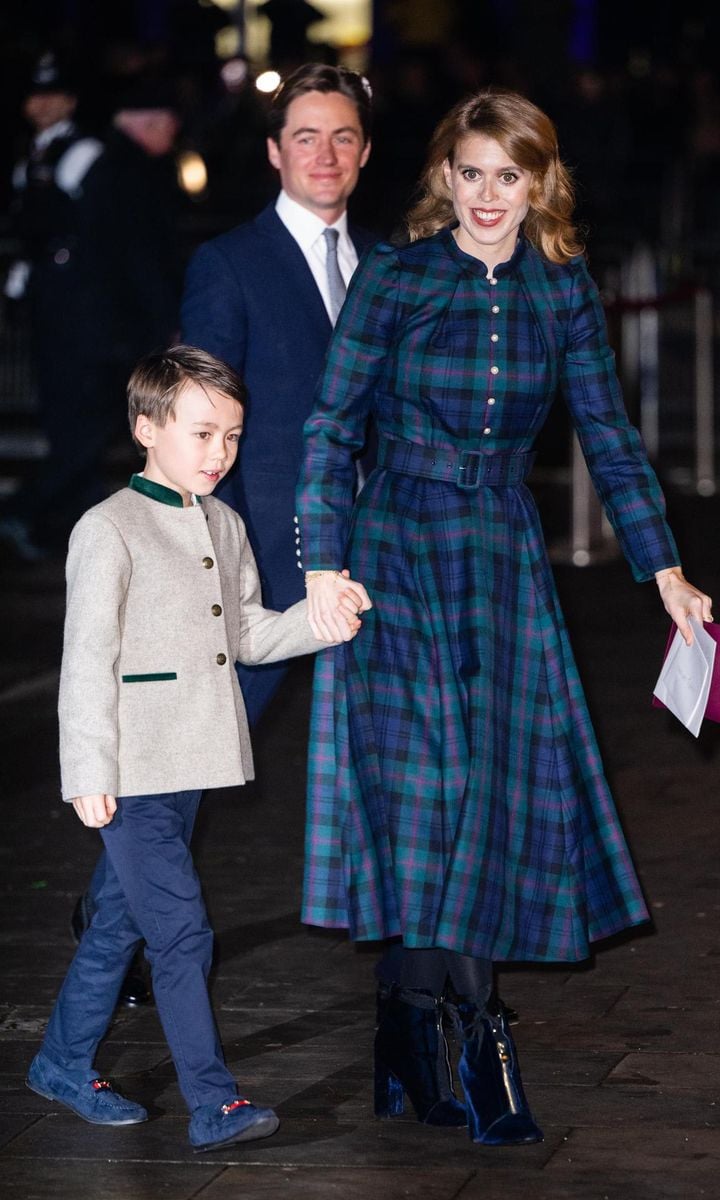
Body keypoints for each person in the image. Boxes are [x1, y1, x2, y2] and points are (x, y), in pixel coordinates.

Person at [295, 88, 712, 1146]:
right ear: (446, 175)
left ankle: (407, 1022)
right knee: (431, 799)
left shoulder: (560, 286)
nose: (489, 195)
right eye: (472, 172)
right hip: (394, 554)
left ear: (541, 182)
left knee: (481, 795)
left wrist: (666, 572)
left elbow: (608, 434)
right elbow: (332, 429)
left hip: (501, 558)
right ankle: (478, 1045)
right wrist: (323, 566)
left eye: (510, 176)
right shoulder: (396, 277)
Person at [26, 345, 367, 1151]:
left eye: (234, 437)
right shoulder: (108, 528)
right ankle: (214, 1102)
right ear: (147, 428)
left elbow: (245, 634)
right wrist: (87, 770)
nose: (221, 453)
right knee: (181, 930)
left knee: (117, 923)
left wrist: (319, 623)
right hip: (133, 770)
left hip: (192, 766)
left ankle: (63, 1062)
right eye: (203, 433)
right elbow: (86, 661)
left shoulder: (223, 522)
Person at [181, 62, 375, 728]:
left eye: (343, 137)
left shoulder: (390, 265)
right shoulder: (229, 264)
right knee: (212, 733)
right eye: (306, 137)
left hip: (379, 545)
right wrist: (223, 556)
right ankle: (139, 836)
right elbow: (198, 422)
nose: (326, 155)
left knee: (390, 741)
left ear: (365, 150)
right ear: (274, 150)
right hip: (266, 547)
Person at [0, 52, 102, 561]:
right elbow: (28, 232)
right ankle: (65, 528)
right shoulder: (30, 156)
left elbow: (68, 224)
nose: (43, 106)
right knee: (63, 420)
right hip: (47, 300)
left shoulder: (81, 151)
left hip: (80, 304)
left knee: (85, 421)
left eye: (53, 95)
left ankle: (27, 510)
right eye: (35, 96)